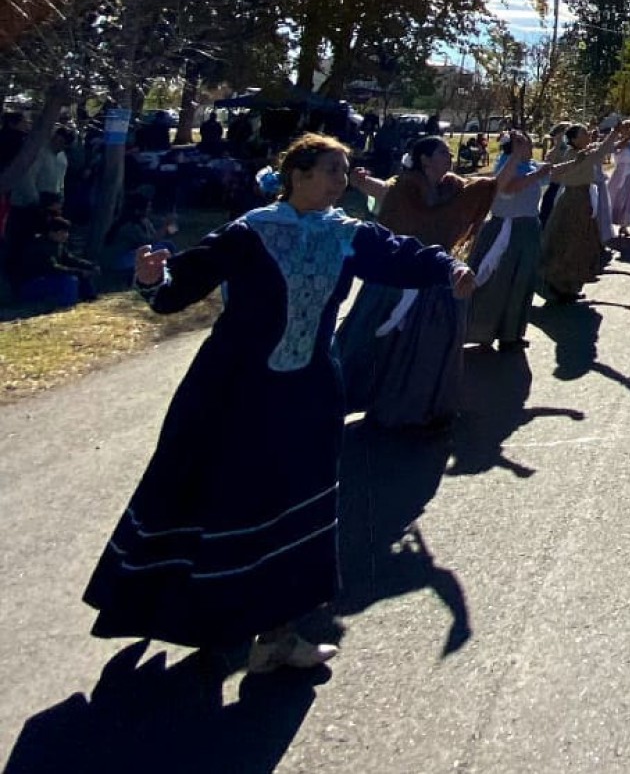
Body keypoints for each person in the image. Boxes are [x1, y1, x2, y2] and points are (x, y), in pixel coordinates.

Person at [82, 133, 475, 672]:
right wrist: (154, 277)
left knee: (297, 507)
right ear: (299, 175)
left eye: (345, 171)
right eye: (333, 170)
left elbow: (399, 255)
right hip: (232, 391)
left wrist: (446, 269)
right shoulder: (253, 231)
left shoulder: (345, 235)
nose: (343, 180)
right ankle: (203, 618)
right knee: (217, 498)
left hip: (306, 391)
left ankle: (278, 636)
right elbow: (181, 286)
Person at [338, 135, 518, 429]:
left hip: (438, 279)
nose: (449, 157)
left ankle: (421, 409)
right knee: (375, 342)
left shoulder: (452, 187)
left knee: (431, 349)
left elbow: (489, 188)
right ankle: (361, 400)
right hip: (395, 279)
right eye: (443, 152)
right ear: (425, 159)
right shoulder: (404, 188)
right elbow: (385, 197)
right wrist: (360, 182)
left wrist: (515, 158)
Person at [465, 132, 548, 351]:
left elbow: (552, 171)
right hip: (506, 231)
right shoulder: (506, 166)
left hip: (527, 230)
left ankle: (511, 333)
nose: (530, 146)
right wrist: (536, 173)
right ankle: (482, 330)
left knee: (522, 283)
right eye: (525, 144)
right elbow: (506, 188)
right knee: (497, 281)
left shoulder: (530, 166)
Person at [542, 124, 626, 303]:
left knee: (577, 241)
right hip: (576, 200)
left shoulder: (579, 153)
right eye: (583, 134)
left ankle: (569, 285)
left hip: (579, 198)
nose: (588, 135)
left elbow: (599, 149)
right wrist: (614, 132)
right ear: (573, 139)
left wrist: (614, 135)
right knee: (574, 242)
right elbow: (601, 150)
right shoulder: (576, 155)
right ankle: (564, 284)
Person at [18, 217, 98, 305]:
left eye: (66, 232)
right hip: (32, 283)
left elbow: (70, 259)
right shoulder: (39, 246)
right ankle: (68, 306)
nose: (66, 235)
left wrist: (90, 265)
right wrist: (79, 272)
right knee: (70, 280)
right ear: (52, 232)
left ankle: (90, 300)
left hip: (48, 279)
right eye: (62, 233)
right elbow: (53, 267)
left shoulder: (58, 244)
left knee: (83, 275)